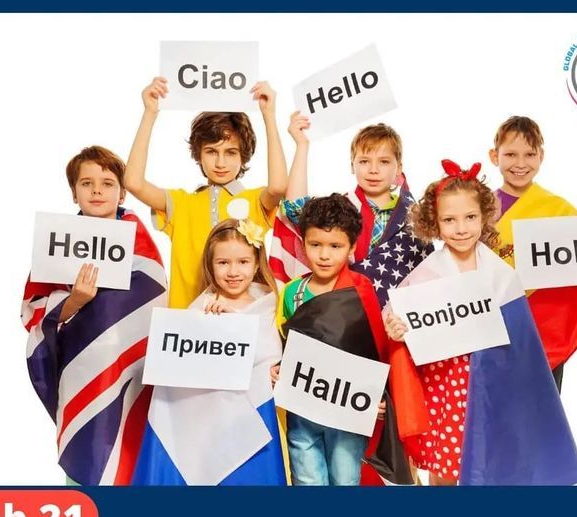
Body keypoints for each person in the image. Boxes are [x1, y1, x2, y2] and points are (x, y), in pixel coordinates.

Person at [384, 160, 577, 486]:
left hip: (494, 388)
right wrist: (397, 329)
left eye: (470, 218)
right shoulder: (424, 274)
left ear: (483, 216)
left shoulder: (501, 275)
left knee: (495, 464)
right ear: (434, 222)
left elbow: (523, 336)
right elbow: (398, 320)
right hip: (446, 390)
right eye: (449, 220)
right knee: (446, 469)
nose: (461, 228)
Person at [21, 145, 167, 485]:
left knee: (133, 452)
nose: (97, 190)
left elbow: (156, 298)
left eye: (107, 182)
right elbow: (34, 310)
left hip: (133, 367)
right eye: (87, 183)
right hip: (81, 368)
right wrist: (74, 301)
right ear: (74, 193)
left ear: (122, 191)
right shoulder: (57, 242)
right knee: (88, 452)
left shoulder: (139, 239)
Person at [133, 219, 286, 485]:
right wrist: (221, 325)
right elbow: (177, 372)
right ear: (210, 265)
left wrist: (278, 371)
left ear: (257, 262)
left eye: (243, 262)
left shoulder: (273, 301)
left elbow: (280, 351)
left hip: (257, 417)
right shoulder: (202, 307)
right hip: (210, 425)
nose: (233, 271)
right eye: (223, 263)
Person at [278, 194, 412, 486]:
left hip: (348, 412)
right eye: (315, 245)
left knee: (346, 477)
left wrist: (376, 396)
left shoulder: (362, 290)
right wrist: (278, 367)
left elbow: (374, 350)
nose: (324, 255)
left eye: (335, 246)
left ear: (351, 247)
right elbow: (283, 344)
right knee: (307, 478)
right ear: (302, 244)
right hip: (304, 409)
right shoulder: (292, 293)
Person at [124, 76, 287, 309]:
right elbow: (133, 182)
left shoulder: (254, 200)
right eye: (211, 151)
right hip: (186, 326)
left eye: (231, 152)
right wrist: (150, 112)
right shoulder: (181, 203)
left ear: (244, 157)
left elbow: (279, 187)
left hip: (239, 324)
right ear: (198, 154)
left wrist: (269, 115)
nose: (221, 162)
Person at [489, 115, 577, 391]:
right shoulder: (479, 208)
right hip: (492, 326)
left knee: (542, 408)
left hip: (542, 331)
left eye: (529, 154)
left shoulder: (558, 209)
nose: (520, 163)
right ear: (494, 156)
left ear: (541, 156)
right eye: (510, 154)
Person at [269, 113, 433, 306]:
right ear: (352, 166)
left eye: (384, 161)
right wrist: (302, 146)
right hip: (344, 308)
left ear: (399, 168)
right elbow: (296, 209)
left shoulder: (415, 216)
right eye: (364, 161)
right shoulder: (341, 207)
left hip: (396, 317)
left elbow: (427, 270)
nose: (373, 169)